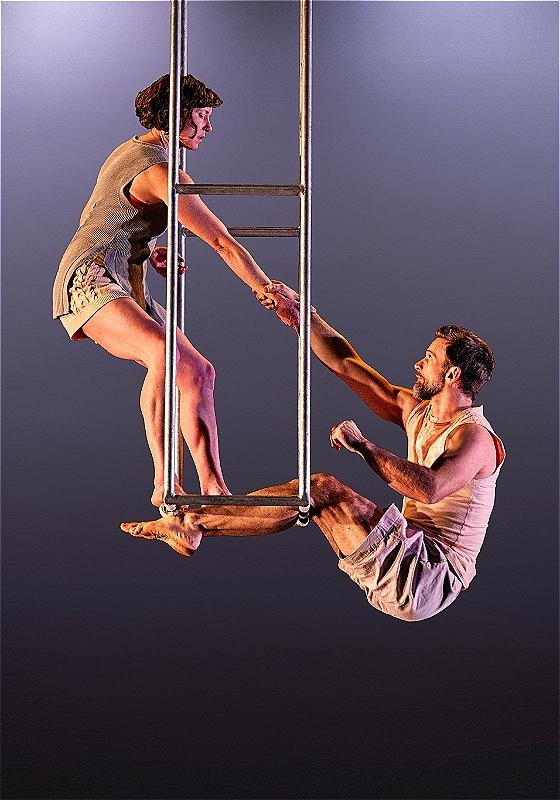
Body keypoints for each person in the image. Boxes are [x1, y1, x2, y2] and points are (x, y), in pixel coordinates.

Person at [120, 283, 506, 623]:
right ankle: (193, 525)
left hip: (429, 573)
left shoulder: (475, 439)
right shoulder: (416, 411)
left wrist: (364, 446)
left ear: (453, 375)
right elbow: (348, 364)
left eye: (430, 358)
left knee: (321, 489)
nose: (418, 365)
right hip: (405, 554)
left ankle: (198, 522)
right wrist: (303, 316)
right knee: (309, 500)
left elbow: (430, 488)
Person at [52, 74, 275, 506]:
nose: (209, 127)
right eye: (202, 116)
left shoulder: (139, 152)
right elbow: (221, 241)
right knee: (166, 357)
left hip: (124, 278)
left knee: (198, 373)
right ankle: (167, 488)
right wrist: (264, 289)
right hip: (90, 275)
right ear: (176, 115)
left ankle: (212, 491)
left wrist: (149, 249)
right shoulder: (159, 170)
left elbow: (112, 211)